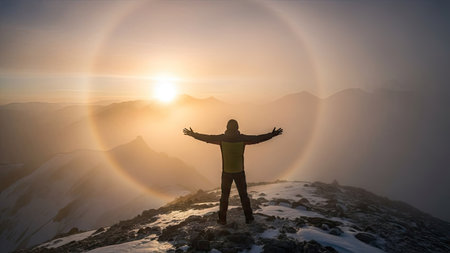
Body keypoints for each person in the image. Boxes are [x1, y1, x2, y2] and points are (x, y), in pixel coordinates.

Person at [183, 119, 283, 225]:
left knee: (224, 197)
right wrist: (272, 134)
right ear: (237, 127)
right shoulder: (242, 138)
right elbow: (258, 138)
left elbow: (207, 138)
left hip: (226, 173)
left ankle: (222, 220)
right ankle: (249, 219)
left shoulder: (221, 139)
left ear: (227, 127)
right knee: (244, 196)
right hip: (239, 172)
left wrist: (193, 134)